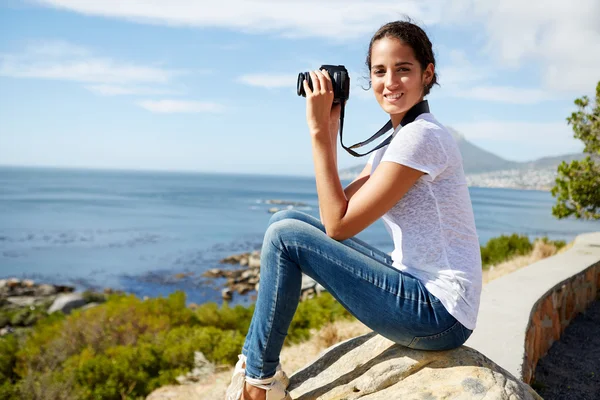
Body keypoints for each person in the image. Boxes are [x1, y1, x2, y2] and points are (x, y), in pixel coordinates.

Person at [226, 19, 482, 400]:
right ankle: (259, 370)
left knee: (283, 237)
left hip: (437, 314)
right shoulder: (396, 140)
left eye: (404, 69)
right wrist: (329, 126)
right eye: (380, 71)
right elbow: (339, 207)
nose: (390, 81)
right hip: (423, 297)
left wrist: (316, 134)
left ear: (428, 74)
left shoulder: (421, 137)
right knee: (286, 221)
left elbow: (338, 226)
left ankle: (257, 383)